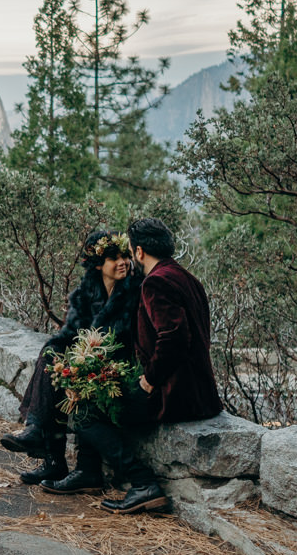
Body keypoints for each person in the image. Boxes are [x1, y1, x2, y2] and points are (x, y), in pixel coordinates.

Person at [40, 217, 222, 513]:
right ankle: (88, 472)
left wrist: (147, 382)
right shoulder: (185, 277)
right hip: (198, 391)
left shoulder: (156, 282)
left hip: (175, 395)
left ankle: (143, 484)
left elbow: (173, 338)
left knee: (85, 410)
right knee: (94, 391)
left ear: (138, 252)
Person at [0, 229, 140, 485]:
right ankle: (41, 438)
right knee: (51, 355)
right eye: (114, 258)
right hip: (88, 359)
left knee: (73, 376)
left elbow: (122, 340)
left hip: (118, 365)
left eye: (124, 256)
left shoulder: (133, 291)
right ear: (98, 265)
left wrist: (82, 362)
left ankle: (47, 448)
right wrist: (66, 359)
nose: (123, 262)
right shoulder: (85, 294)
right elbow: (67, 335)